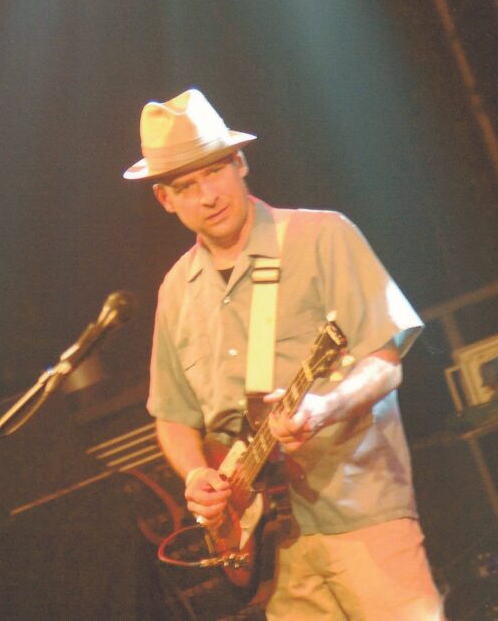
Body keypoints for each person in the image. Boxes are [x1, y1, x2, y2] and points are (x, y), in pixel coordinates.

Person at [124, 87, 444, 620]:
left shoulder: (322, 236)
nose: (207, 195)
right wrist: (194, 477)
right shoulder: (176, 290)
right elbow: (173, 417)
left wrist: (323, 408)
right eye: (186, 184)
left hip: (358, 509)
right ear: (166, 199)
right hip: (267, 541)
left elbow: (385, 365)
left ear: (240, 163)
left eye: (215, 172)